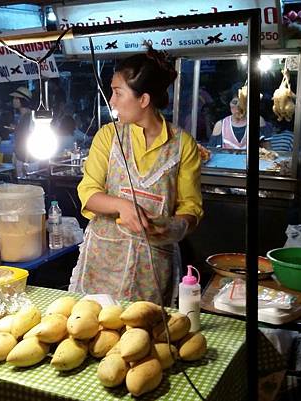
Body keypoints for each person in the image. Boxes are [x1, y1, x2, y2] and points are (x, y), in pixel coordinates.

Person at [69, 48, 203, 303]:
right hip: (103, 261)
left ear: (143, 99)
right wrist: (122, 206)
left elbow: (191, 208)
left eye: (118, 93)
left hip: (152, 267)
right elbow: (88, 193)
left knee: (144, 334)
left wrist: (173, 227)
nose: (112, 100)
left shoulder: (182, 145)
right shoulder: (108, 136)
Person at [10, 86, 34, 164]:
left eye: (16, 98)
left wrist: (26, 161)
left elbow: (27, 137)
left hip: (26, 158)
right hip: (20, 156)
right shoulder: (21, 116)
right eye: (14, 98)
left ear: (23, 100)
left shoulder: (28, 116)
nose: (14, 100)